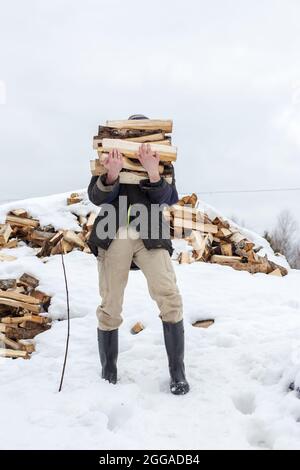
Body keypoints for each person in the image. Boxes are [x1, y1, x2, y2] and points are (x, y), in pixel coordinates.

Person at [87, 115, 189, 395]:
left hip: (151, 234)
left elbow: (169, 198)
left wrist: (153, 171)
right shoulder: (110, 153)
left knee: (169, 296)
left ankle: (177, 372)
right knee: (110, 304)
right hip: (114, 232)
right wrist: (111, 175)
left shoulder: (161, 156)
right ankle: (109, 373)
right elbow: (96, 197)